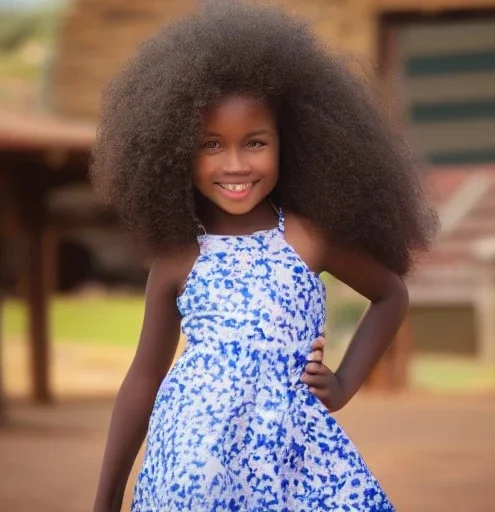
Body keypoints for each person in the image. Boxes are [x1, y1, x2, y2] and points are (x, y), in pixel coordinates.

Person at [91, 1, 438, 510]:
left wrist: (342, 384)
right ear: (175, 149)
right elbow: (144, 376)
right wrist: (106, 499)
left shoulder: (308, 237)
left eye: (254, 142)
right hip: (193, 457)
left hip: (292, 455)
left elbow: (390, 294)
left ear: (289, 142)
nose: (234, 164)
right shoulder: (179, 259)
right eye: (211, 144)